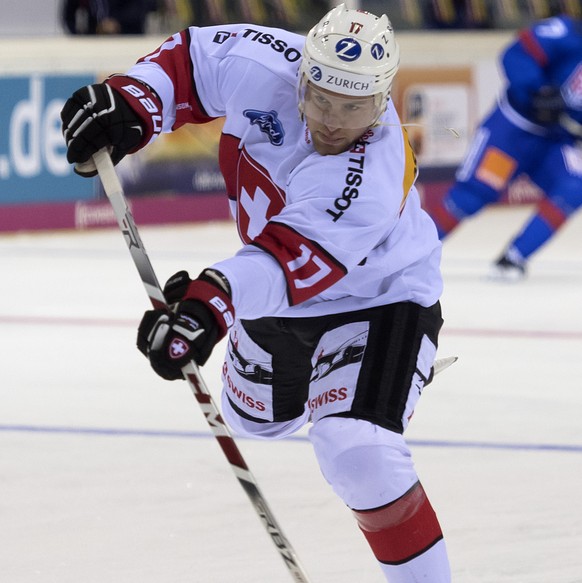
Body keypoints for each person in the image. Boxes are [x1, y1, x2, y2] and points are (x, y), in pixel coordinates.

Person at [60, 4, 451, 581]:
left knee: (355, 448)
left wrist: (208, 303)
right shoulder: (262, 60)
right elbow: (189, 63)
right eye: (321, 97)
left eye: (354, 107)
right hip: (278, 292)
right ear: (304, 76)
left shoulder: (370, 173)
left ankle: (378, 382)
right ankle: (344, 381)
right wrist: (132, 102)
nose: (333, 121)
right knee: (252, 420)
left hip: (379, 297)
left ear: (384, 96)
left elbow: (281, 265)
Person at [429, 14, 582, 281]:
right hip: (512, 133)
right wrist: (537, 90)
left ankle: (514, 258)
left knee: (574, 184)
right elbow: (516, 54)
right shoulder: (563, 32)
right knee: (470, 197)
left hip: (553, 141)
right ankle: (407, 253)